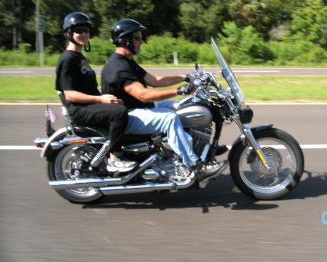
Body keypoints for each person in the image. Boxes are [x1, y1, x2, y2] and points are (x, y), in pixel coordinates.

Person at [100, 18, 228, 181]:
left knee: (182, 107)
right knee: (169, 118)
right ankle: (193, 164)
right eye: (138, 38)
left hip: (139, 108)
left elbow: (155, 81)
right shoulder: (118, 67)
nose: (141, 42)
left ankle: (199, 147)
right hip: (128, 115)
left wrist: (186, 77)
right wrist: (179, 90)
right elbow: (142, 94)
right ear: (125, 40)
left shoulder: (127, 62)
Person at [55, 12, 137, 173]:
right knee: (118, 112)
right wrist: (101, 100)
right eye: (79, 30)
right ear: (68, 33)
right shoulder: (68, 59)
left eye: (86, 30)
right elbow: (70, 94)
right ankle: (115, 158)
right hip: (79, 109)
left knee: (123, 103)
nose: (84, 34)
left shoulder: (79, 57)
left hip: (88, 105)